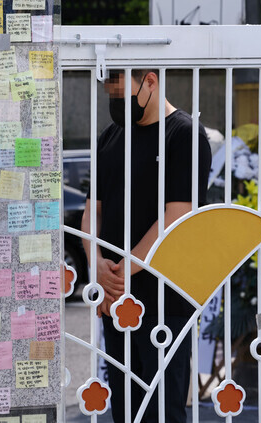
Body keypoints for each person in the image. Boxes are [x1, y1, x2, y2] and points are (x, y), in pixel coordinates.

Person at [81, 69, 212, 423]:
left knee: (162, 410)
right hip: (115, 299)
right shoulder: (111, 137)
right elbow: (92, 212)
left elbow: (177, 216)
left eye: (121, 94)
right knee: (125, 409)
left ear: (150, 82)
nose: (116, 102)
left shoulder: (183, 134)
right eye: (111, 94)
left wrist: (120, 270)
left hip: (163, 302)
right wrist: (97, 262)